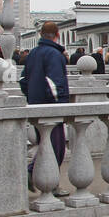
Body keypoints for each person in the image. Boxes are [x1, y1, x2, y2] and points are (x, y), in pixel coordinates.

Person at [24, 22, 71, 197]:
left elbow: (23, 80)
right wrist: (60, 105)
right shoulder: (54, 54)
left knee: (46, 144)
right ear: (57, 35)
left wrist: (31, 96)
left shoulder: (33, 54)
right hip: (51, 108)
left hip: (36, 105)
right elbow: (55, 84)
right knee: (56, 148)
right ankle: (49, 182)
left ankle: (36, 175)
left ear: (41, 34)